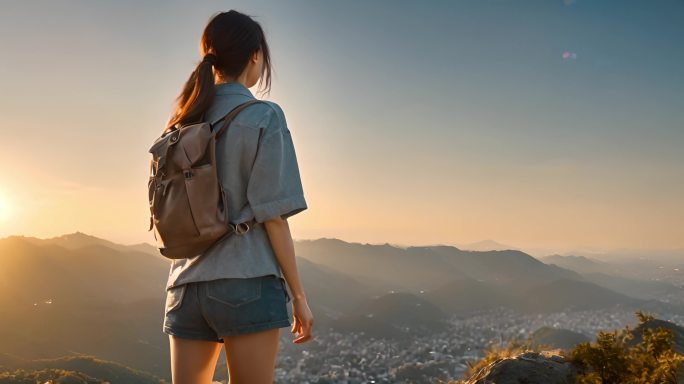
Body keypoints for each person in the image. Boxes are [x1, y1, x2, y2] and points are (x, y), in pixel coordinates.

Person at [160, 10, 314, 384]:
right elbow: (273, 216)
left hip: (184, 286)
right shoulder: (264, 116)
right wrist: (299, 297)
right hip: (246, 279)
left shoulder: (184, 120)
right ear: (255, 55)